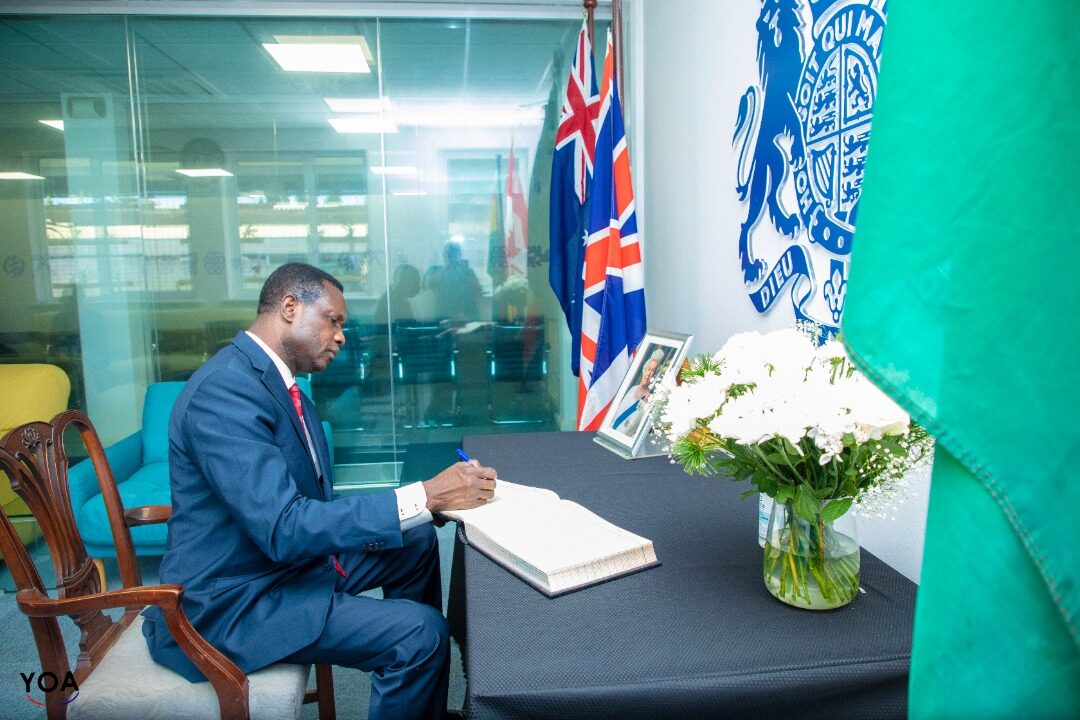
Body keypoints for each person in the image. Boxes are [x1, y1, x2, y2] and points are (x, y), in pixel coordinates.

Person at [142, 262, 497, 720]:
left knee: (416, 540)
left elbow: (311, 510)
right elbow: (285, 526)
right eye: (334, 320)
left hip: (280, 569)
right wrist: (424, 496)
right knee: (420, 633)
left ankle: (413, 693)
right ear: (290, 307)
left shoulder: (277, 382)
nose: (341, 336)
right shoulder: (224, 393)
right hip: (232, 605)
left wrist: (428, 507)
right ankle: (410, 652)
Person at [610, 347, 669, 436]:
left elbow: (639, 431)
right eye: (648, 369)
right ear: (644, 369)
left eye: (653, 371)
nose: (649, 374)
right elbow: (616, 413)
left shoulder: (650, 399)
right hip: (611, 432)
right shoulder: (633, 389)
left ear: (655, 375)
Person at [429, 241, 482, 321]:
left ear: (460, 255)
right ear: (444, 256)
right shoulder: (435, 270)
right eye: (449, 255)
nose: (452, 258)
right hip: (443, 318)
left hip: (468, 317)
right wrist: (444, 270)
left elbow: (478, 292)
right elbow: (427, 286)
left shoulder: (468, 271)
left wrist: (465, 272)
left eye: (454, 254)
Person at [373, 263, 421, 328]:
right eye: (415, 282)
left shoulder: (401, 298)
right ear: (405, 282)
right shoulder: (390, 302)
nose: (418, 287)